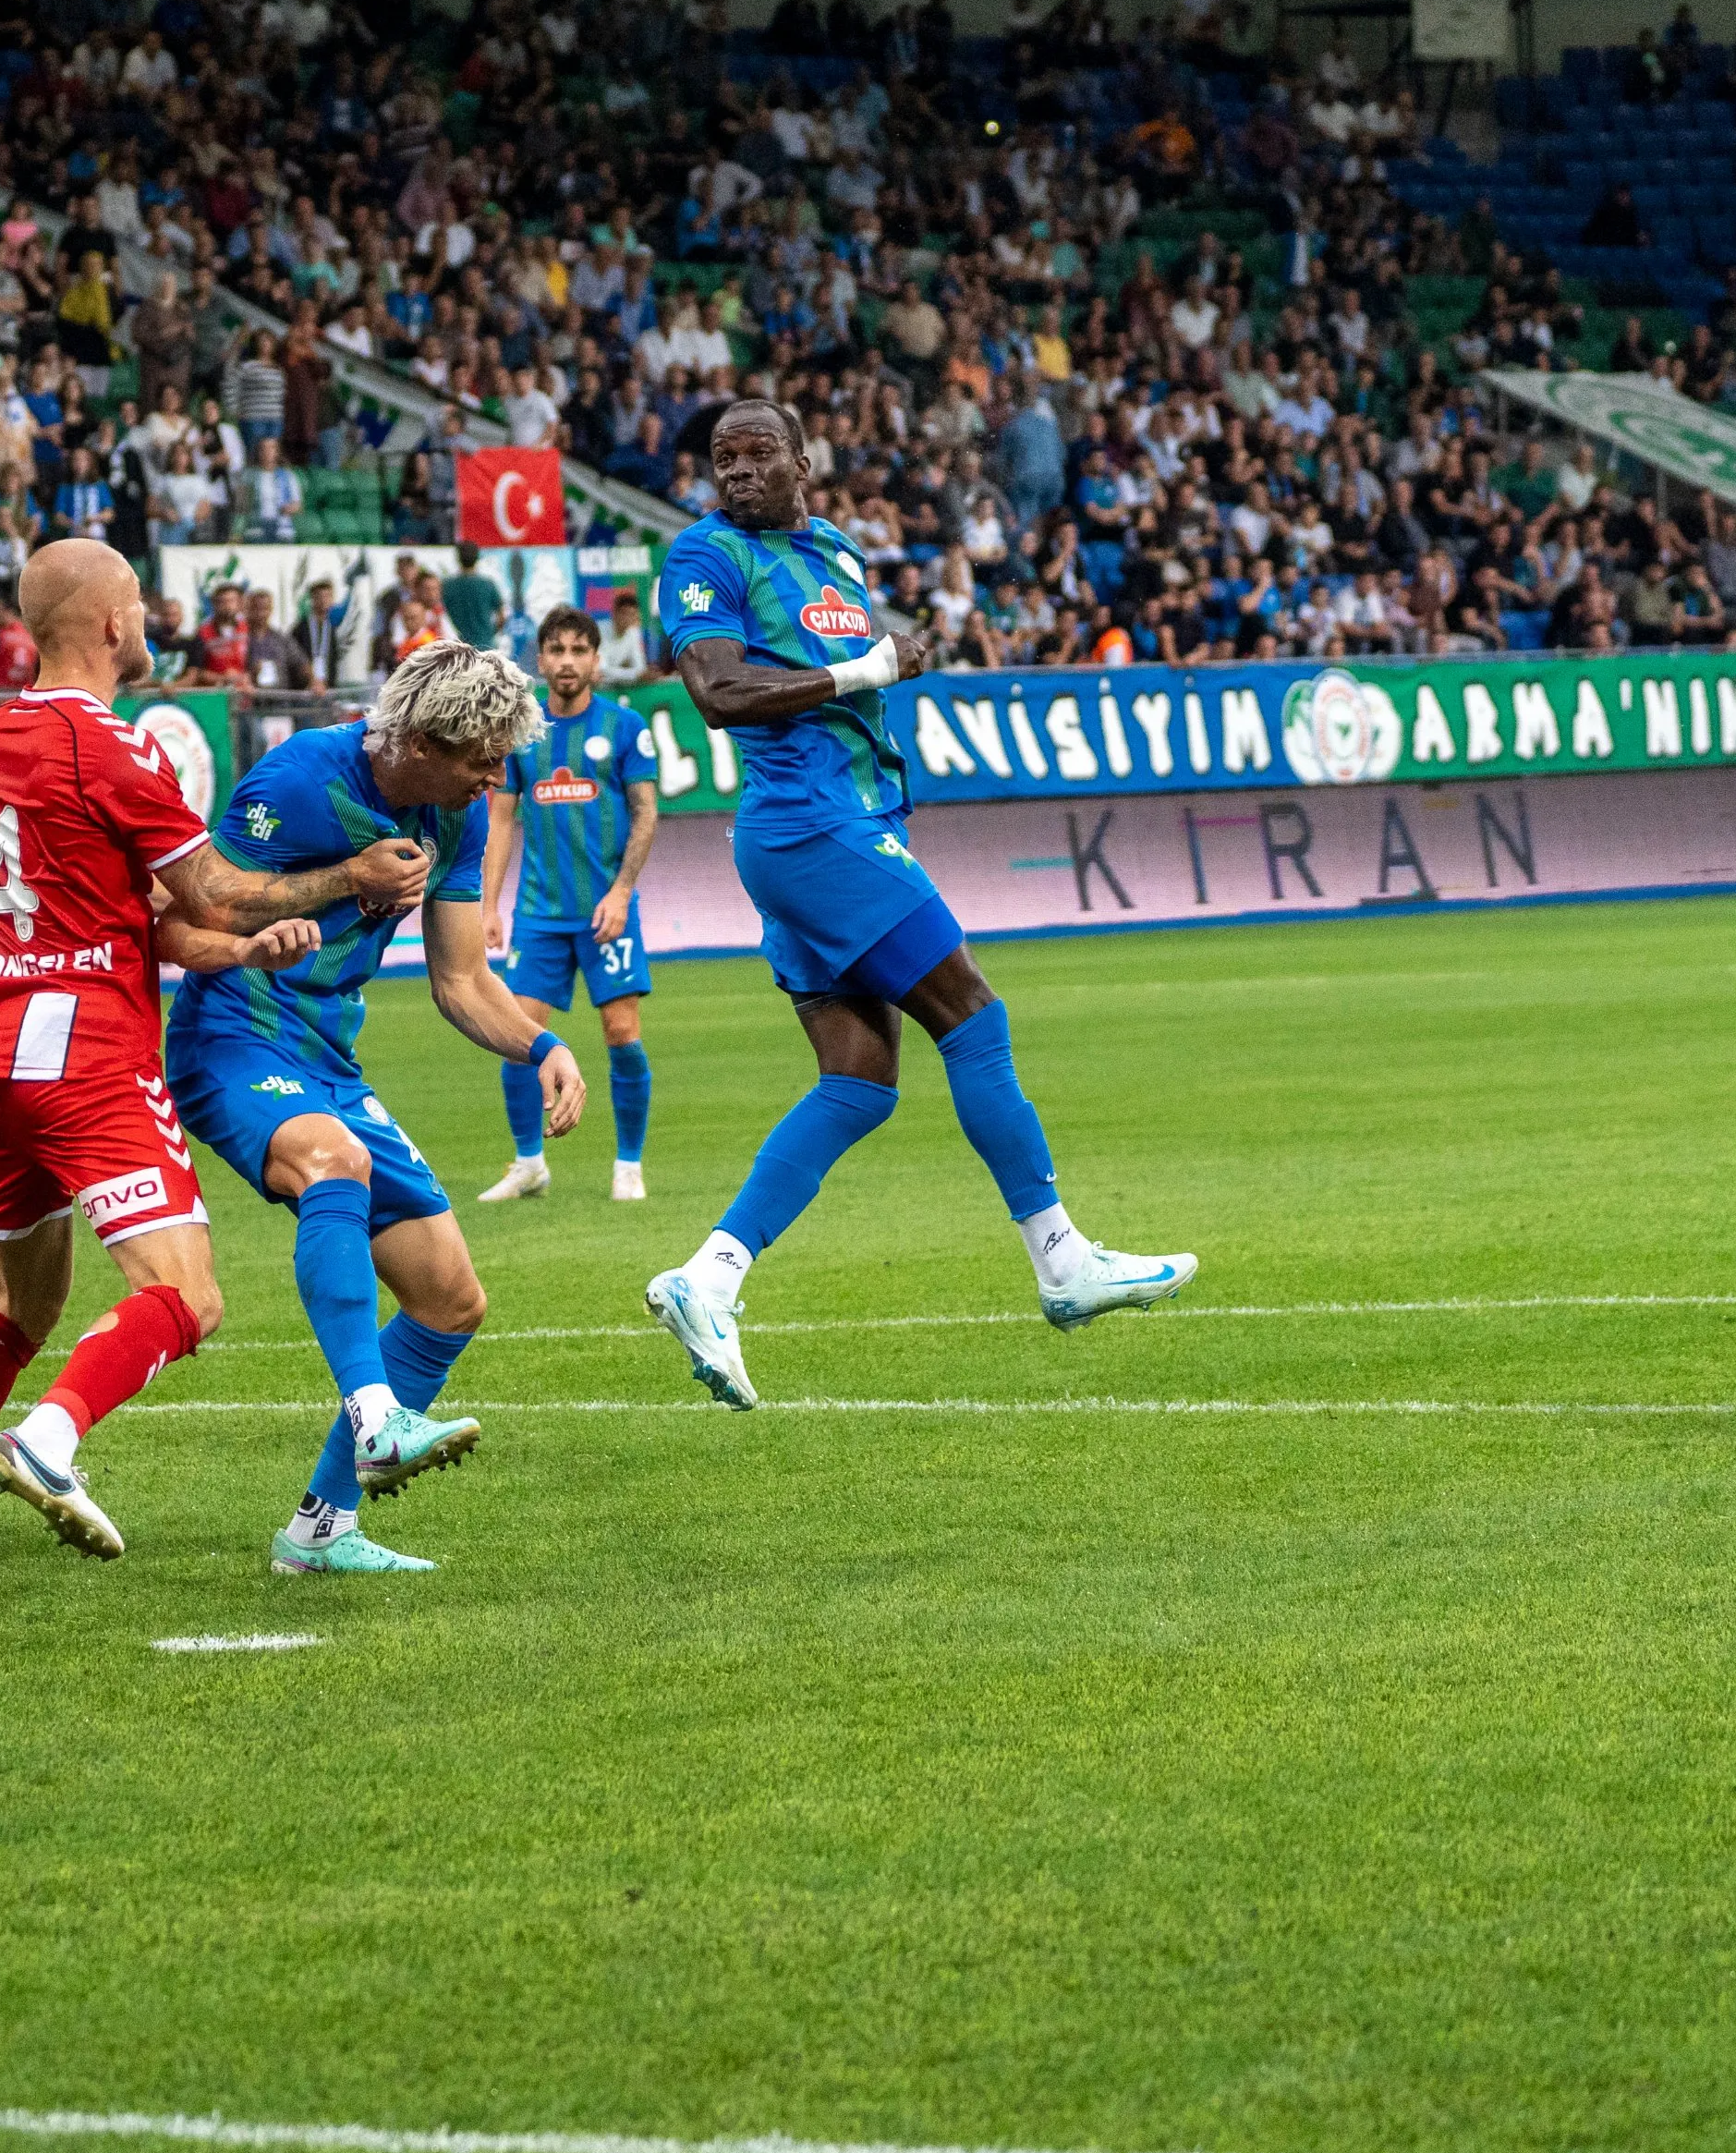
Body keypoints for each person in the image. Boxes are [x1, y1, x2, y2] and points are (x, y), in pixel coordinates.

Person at [0, 539, 429, 1581]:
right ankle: (49, 1443)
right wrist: (346, 876)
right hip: (86, 1047)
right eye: (137, 601)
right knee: (187, 1295)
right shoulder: (113, 746)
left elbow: (151, 913)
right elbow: (215, 886)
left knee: (21, 1306)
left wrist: (237, 949)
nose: (147, 617)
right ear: (107, 624)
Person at [641, 400, 1192, 1408]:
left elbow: (859, 669)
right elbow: (717, 694)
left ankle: (708, 1277)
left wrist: (888, 655)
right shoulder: (704, 556)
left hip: (839, 825)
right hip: (809, 827)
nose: (739, 472)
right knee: (974, 1018)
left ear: (806, 459)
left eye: (760, 453)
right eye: (724, 458)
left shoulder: (840, 553)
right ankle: (1062, 1259)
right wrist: (867, 666)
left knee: (858, 1080)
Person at [143, 639, 580, 1575]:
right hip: (234, 1040)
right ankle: (377, 1415)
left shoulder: (454, 816)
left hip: (330, 1059)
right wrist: (348, 878)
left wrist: (541, 1045)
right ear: (421, 739)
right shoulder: (298, 779)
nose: (496, 777)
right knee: (332, 1159)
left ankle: (320, 1530)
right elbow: (183, 919)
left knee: (449, 1296)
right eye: (481, 760)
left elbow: (461, 980)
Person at [475, 607, 661, 1205]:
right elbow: (500, 820)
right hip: (539, 913)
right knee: (516, 1034)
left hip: (607, 909)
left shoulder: (626, 727)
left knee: (622, 1032)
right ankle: (530, 1163)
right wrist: (488, 905)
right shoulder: (522, 733)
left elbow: (646, 812)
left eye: (580, 649)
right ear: (542, 660)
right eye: (556, 650)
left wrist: (622, 890)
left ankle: (628, 1164)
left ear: (596, 660)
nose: (568, 661)